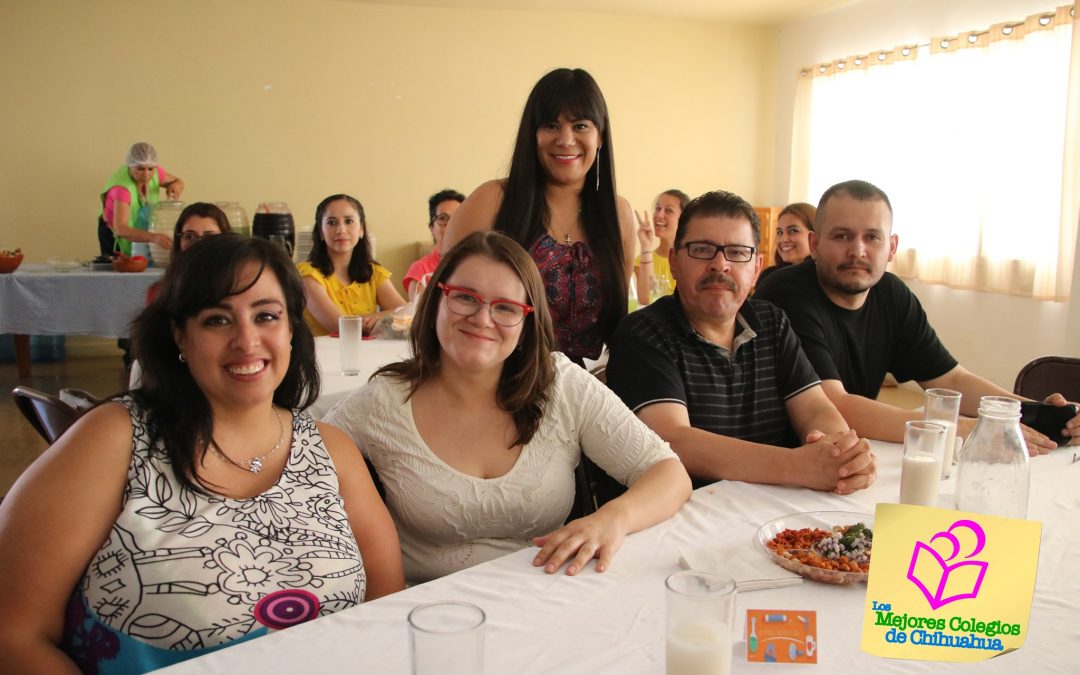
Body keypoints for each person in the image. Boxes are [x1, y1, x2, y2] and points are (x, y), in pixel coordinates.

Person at [0, 235, 404, 672]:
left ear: (291, 330)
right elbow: (14, 634)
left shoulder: (332, 450)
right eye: (217, 320)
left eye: (266, 316)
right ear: (180, 335)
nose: (246, 340)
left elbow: (385, 609)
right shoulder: (113, 440)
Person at [324, 231, 691, 585]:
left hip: (542, 598)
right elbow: (301, 467)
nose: (483, 319)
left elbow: (669, 474)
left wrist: (613, 518)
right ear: (435, 300)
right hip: (425, 611)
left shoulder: (561, 385)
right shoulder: (383, 402)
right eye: (465, 297)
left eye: (505, 307)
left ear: (526, 323)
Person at [755, 179, 1080, 451]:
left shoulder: (891, 294)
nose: (858, 251)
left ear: (892, 247)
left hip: (849, 453)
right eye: (842, 236)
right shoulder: (787, 292)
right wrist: (964, 430)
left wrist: (1030, 412)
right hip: (783, 464)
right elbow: (833, 404)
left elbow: (952, 379)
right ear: (815, 244)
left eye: (872, 237)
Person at [606, 190, 876, 493]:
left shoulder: (772, 322)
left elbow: (814, 407)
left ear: (756, 268)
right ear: (674, 261)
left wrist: (841, 454)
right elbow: (675, 440)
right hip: (684, 522)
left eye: (737, 252)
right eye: (702, 249)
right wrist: (799, 466)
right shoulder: (642, 333)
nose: (720, 265)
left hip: (774, 515)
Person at [443, 68, 635, 365]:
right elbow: (444, 307)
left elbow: (619, 327)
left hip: (581, 391)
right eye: (550, 125)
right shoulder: (492, 201)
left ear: (600, 136)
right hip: (494, 382)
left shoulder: (618, 214)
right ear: (532, 134)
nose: (565, 139)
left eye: (580, 125)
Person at [297, 194, 406, 336]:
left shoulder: (374, 273)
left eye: (348, 221)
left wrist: (378, 317)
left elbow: (406, 313)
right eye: (331, 222)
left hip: (370, 354)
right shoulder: (307, 275)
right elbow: (339, 325)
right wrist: (382, 319)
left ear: (361, 229)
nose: (341, 230)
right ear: (320, 233)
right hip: (321, 356)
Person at [97, 142, 184, 257]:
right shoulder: (121, 189)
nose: (146, 174)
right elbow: (121, 229)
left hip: (138, 229)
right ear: (130, 165)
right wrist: (154, 237)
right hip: (114, 236)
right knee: (122, 271)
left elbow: (177, 181)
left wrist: (175, 187)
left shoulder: (155, 172)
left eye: (150, 169)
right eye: (140, 169)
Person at [146, 202, 233, 304]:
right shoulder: (160, 292)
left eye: (210, 237)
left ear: (226, 241)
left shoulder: (237, 289)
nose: (199, 244)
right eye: (189, 237)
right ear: (179, 242)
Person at [403, 188, 465, 299]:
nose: (450, 224)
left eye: (457, 217)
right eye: (443, 218)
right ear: (432, 227)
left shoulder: (476, 265)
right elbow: (420, 312)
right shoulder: (421, 270)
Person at [634, 189, 689, 306]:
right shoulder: (641, 261)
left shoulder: (690, 261)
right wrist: (646, 246)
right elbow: (646, 302)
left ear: (684, 219)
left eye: (668, 210)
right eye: (658, 209)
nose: (659, 215)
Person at [757, 202, 815, 285]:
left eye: (793, 231)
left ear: (814, 236)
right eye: (780, 232)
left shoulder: (826, 281)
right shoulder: (769, 276)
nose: (783, 239)